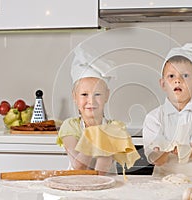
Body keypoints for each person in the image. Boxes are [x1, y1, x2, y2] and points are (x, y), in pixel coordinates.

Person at [57, 47, 140, 176]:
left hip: (107, 188)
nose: (91, 101)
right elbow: (78, 165)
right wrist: (96, 137)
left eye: (97, 94)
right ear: (74, 96)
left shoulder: (115, 127)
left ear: (107, 95)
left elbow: (102, 169)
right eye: (84, 94)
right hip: (76, 187)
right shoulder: (70, 126)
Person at [142, 43, 192, 177]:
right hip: (164, 181)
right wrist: (163, 153)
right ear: (163, 84)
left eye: (185, 76)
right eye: (171, 76)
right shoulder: (153, 117)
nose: (178, 80)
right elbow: (154, 158)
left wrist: (185, 150)